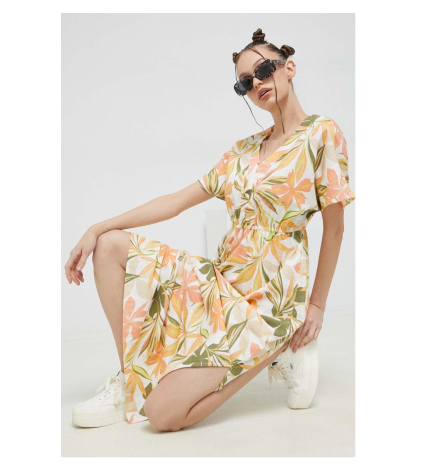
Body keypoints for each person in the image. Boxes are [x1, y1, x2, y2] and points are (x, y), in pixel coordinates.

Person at [65, 27, 355, 433]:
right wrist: (98, 226)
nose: (256, 83)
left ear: (288, 68)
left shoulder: (322, 134)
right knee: (110, 245)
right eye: (245, 82)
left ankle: (275, 347)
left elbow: (334, 229)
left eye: (264, 70)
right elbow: (176, 201)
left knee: (162, 415)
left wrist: (317, 307)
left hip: (269, 305)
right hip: (221, 285)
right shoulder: (242, 152)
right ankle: (130, 380)